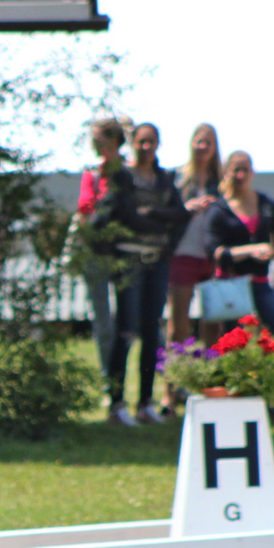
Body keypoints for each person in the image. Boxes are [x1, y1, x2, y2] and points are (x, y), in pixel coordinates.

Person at [107, 122, 188, 424]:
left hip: (158, 260)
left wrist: (151, 214)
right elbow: (125, 215)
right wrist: (159, 220)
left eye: (150, 141)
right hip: (128, 260)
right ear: (133, 144)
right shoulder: (123, 177)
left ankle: (145, 403)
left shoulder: (166, 179)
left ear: (158, 144)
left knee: (152, 332)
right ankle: (116, 404)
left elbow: (180, 214)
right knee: (126, 331)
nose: (145, 147)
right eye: (140, 141)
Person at [203, 151, 274, 356]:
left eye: (244, 170)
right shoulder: (218, 210)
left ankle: (267, 377)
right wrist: (250, 251)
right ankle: (234, 385)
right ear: (227, 173)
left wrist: (269, 252)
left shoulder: (267, 205)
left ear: (252, 172)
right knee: (232, 346)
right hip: (230, 284)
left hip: (260, 283)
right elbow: (214, 252)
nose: (240, 175)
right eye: (235, 170)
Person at [166, 123, 222, 410]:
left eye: (208, 143)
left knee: (213, 323)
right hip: (183, 254)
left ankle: (208, 382)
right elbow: (168, 213)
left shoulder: (220, 180)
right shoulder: (178, 178)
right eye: (199, 142)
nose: (202, 147)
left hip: (211, 258)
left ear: (215, 148)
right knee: (179, 324)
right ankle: (171, 389)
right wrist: (187, 207)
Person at [76, 118, 137, 371]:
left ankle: (158, 377)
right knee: (102, 321)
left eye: (97, 137)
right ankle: (108, 378)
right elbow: (84, 208)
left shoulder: (130, 172)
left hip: (126, 253)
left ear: (113, 140)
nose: (93, 142)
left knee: (135, 320)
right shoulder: (91, 172)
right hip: (95, 253)